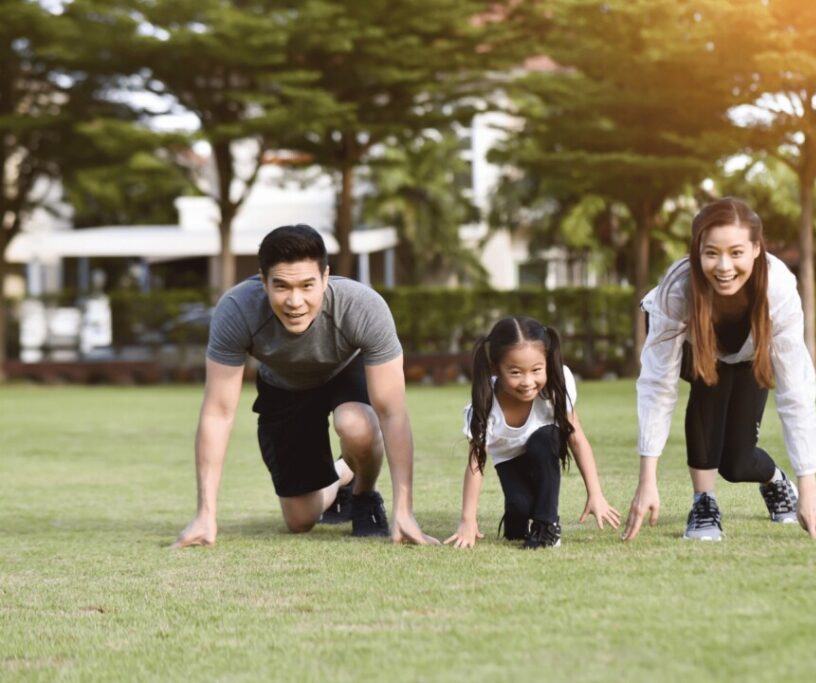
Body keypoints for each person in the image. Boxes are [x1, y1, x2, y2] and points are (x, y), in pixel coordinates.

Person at [174, 224, 436, 547]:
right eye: (281, 286)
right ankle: (342, 476)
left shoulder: (363, 307)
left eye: (307, 285)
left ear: (326, 278)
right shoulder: (237, 310)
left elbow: (392, 411)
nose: (295, 301)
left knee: (356, 424)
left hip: (343, 369)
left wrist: (405, 510)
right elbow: (218, 413)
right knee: (300, 520)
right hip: (284, 386)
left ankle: (364, 494)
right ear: (263, 280)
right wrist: (205, 514)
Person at [623, 197, 816, 542]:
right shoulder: (676, 293)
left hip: (750, 352)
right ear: (696, 251)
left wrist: (807, 487)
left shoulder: (777, 288)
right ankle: (703, 504)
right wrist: (647, 481)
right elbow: (657, 387)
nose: (724, 266)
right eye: (712, 253)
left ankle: (775, 481)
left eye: (736, 252)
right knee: (710, 386)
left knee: (736, 464)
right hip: (698, 348)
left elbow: (795, 390)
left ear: (756, 248)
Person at [444, 316, 620, 549]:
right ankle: (519, 515)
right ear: (496, 368)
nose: (528, 381)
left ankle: (548, 526)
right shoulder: (486, 405)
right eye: (515, 372)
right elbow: (476, 462)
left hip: (544, 445)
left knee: (545, 438)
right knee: (520, 510)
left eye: (536, 370)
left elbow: (576, 439)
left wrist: (595, 494)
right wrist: (468, 520)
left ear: (546, 362)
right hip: (509, 457)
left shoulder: (556, 385)